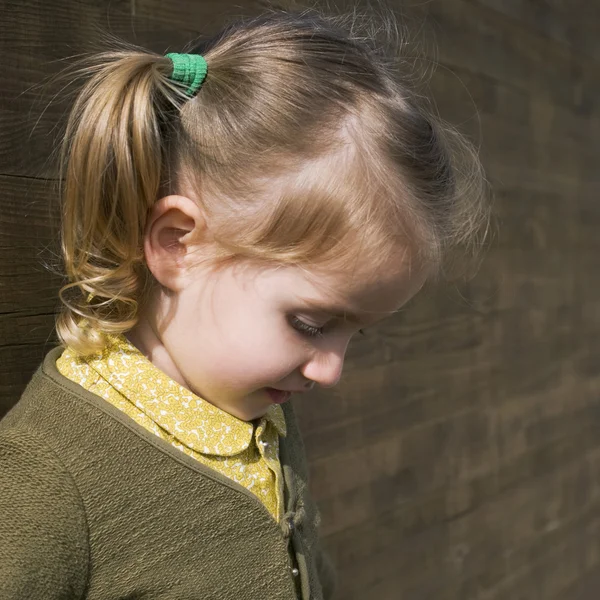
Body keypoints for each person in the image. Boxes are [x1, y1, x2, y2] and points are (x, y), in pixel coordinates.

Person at [0, 7, 490, 600]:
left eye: (355, 333)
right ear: (177, 245)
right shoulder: (49, 475)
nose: (331, 370)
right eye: (310, 324)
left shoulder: (258, 412)